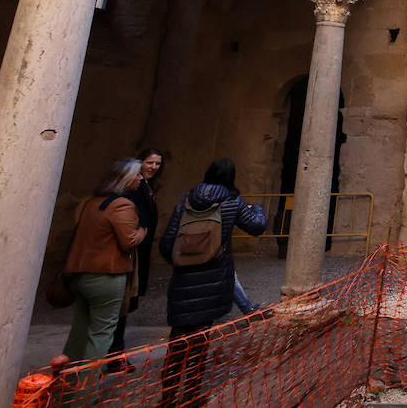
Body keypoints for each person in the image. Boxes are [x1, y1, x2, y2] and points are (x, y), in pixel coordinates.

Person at [158, 157, 265, 406]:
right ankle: (191, 395)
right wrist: (257, 208)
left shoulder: (185, 201)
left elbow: (166, 244)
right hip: (213, 279)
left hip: (183, 280)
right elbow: (257, 227)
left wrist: (185, 260)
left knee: (177, 341)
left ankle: (168, 397)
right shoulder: (231, 201)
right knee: (199, 342)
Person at [61, 158, 146, 362]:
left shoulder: (89, 203)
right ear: (125, 179)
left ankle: (69, 390)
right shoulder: (121, 205)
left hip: (79, 273)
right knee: (101, 334)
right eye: (137, 175)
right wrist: (143, 231)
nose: (141, 178)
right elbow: (128, 241)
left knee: (79, 333)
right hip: (106, 276)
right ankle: (87, 392)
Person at [107, 148, 163, 363]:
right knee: (120, 304)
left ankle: (114, 350)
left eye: (157, 164)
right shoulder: (129, 194)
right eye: (149, 163)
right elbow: (132, 227)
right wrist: (141, 233)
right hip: (131, 252)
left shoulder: (145, 187)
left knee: (125, 302)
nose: (153, 168)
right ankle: (113, 354)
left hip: (139, 251)